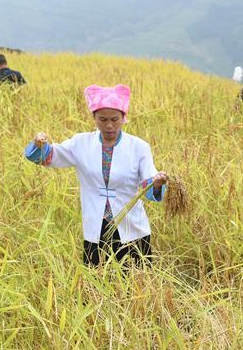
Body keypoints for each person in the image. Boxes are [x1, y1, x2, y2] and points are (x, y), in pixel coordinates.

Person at [23, 84, 169, 267]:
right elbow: (50, 156)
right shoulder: (81, 143)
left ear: (124, 118)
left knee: (136, 280)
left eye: (115, 119)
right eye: (103, 119)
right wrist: (39, 144)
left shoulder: (139, 147)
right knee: (97, 281)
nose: (109, 125)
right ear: (94, 118)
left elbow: (149, 182)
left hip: (131, 227)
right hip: (96, 225)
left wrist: (157, 183)